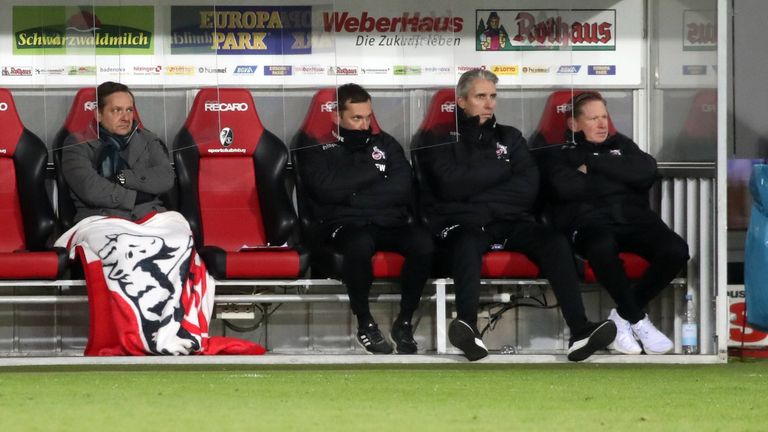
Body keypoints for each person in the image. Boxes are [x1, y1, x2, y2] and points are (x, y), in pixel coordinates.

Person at [415, 70, 616, 361]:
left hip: (511, 221)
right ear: (461, 102)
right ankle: (468, 329)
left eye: (492, 96)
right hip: (465, 222)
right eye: (480, 96)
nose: (489, 103)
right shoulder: (439, 138)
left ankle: (580, 331)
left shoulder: (510, 137)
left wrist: (477, 189)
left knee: (554, 242)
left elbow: (526, 188)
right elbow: (450, 185)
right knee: (466, 242)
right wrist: (501, 171)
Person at [538, 91, 690, 355]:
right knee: (601, 247)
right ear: (574, 124)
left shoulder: (622, 144)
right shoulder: (559, 153)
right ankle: (638, 320)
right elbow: (566, 188)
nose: (602, 124)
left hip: (635, 220)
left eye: (604, 117)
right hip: (589, 223)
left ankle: (622, 317)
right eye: (593, 118)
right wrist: (618, 172)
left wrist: (594, 164)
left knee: (676, 250)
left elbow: (646, 172)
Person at [297, 83, 434, 354]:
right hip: (344, 225)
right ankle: (365, 322)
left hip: (388, 222)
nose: (364, 125)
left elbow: (402, 187)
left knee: (423, 244)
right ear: (338, 117)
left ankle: (404, 321)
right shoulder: (318, 147)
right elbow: (325, 189)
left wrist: (353, 195)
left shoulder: (386, 144)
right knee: (358, 244)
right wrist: (375, 172)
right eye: (356, 118)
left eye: (368, 117)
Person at [62, 81, 174, 223]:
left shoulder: (148, 139)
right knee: (124, 244)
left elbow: (166, 177)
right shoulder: (77, 144)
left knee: (182, 237)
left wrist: (122, 177)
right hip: (102, 219)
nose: (125, 118)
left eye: (129, 110)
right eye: (116, 110)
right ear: (98, 114)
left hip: (150, 217)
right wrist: (138, 196)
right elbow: (92, 190)